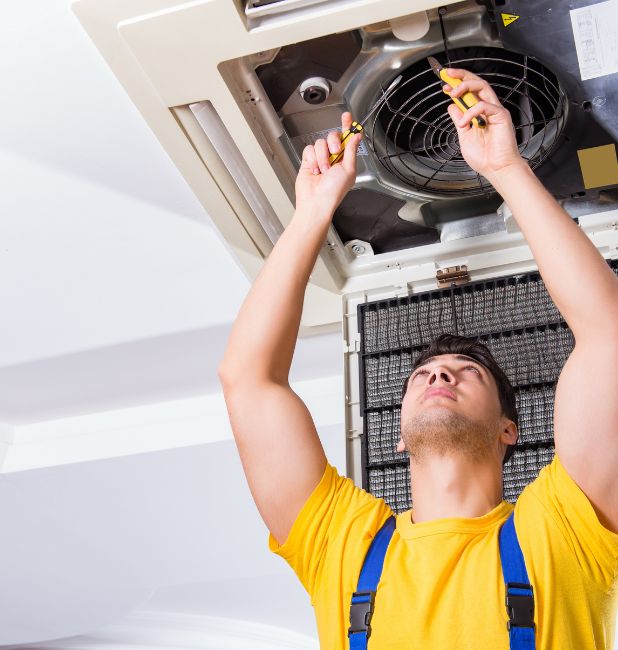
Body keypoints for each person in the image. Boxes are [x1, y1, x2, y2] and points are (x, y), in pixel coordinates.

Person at [218, 68, 618, 648]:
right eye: (423, 375)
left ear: (510, 430)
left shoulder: (564, 529)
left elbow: (607, 333)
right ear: (398, 437)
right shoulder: (344, 545)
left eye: (467, 372)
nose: (439, 373)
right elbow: (246, 380)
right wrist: (310, 214)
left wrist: (507, 169)